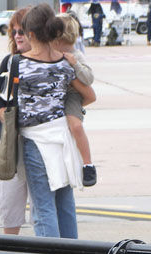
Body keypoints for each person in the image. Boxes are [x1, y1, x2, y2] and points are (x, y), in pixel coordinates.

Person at [0, 3, 96, 239]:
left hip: (34, 140)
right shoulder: (64, 63)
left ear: (30, 34)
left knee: (43, 207)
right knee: (64, 203)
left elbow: (2, 102)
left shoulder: (17, 63)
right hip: (62, 137)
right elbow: (89, 95)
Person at [0, 7, 31, 234]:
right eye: (14, 31)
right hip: (12, 144)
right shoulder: (10, 61)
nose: (17, 35)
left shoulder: (51, 62)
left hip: (38, 142)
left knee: (42, 209)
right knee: (8, 202)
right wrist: (10, 122)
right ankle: (10, 252)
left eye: (23, 31)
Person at [54, 13, 97, 187]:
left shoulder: (75, 55)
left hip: (71, 93)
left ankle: (88, 164)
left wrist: (75, 64)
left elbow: (88, 78)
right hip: (54, 92)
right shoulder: (50, 51)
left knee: (76, 126)